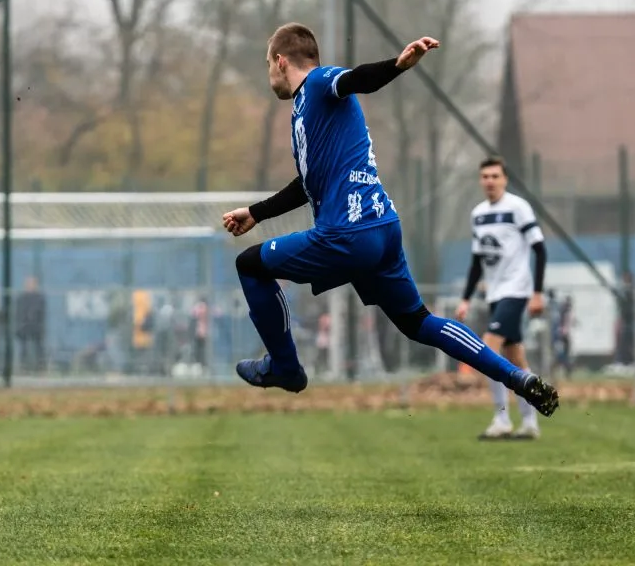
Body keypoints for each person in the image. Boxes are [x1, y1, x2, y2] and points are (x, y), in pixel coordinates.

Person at [219, 23, 558, 417]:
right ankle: (518, 379)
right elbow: (308, 184)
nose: (269, 75)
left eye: (267, 64)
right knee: (419, 322)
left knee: (250, 265)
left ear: (280, 61)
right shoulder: (308, 113)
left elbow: (355, 79)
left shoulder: (318, 82)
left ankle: (285, 368)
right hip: (383, 228)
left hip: (347, 234)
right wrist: (257, 213)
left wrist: (397, 65)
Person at [455, 156, 547, 440]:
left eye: (495, 176)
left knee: (488, 348)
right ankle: (531, 421)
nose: (490, 181)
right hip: (494, 293)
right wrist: (466, 299)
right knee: (516, 359)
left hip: (516, 290)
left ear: (505, 179)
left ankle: (502, 419)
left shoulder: (518, 207)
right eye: (485, 176)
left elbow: (540, 249)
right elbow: (476, 261)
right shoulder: (478, 214)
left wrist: (537, 292)